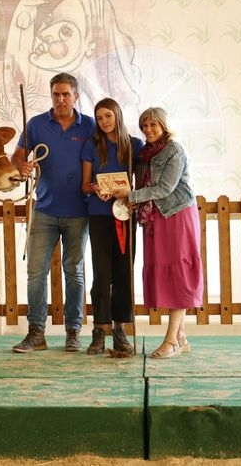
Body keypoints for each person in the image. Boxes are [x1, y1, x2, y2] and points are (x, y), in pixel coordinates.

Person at [10, 72, 95, 353]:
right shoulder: (36, 125)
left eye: (66, 94)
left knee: (74, 272)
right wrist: (22, 167)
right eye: (56, 94)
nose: (60, 99)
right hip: (44, 209)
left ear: (76, 96)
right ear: (51, 96)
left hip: (79, 211)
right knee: (35, 273)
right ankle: (36, 333)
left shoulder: (91, 127)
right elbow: (17, 157)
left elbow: (106, 157)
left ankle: (74, 332)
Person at [113, 107, 203, 358]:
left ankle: (171, 340)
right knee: (169, 274)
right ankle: (181, 337)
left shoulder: (174, 150)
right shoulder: (144, 153)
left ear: (164, 126)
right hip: (156, 218)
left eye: (153, 125)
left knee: (178, 275)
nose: (148, 130)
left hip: (176, 216)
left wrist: (131, 195)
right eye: (145, 126)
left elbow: (164, 187)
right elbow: (145, 186)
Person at [81, 98, 144, 355]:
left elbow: (140, 186)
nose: (104, 122)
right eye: (99, 118)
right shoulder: (92, 145)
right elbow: (85, 185)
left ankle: (120, 330)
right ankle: (99, 329)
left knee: (123, 273)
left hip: (125, 215)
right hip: (99, 215)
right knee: (102, 273)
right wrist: (97, 190)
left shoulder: (135, 145)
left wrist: (129, 195)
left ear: (117, 115)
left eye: (108, 116)